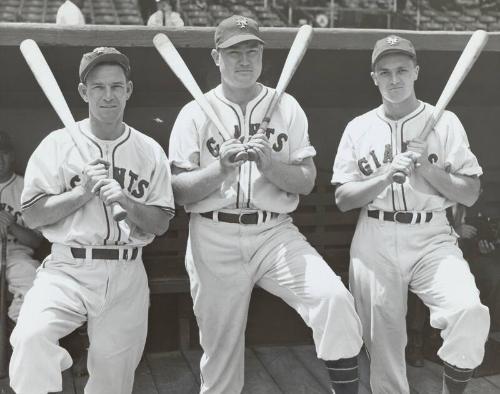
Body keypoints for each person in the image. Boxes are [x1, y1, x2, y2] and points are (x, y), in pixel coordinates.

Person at [168, 15, 363, 394]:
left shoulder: (286, 106)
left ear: (262, 55)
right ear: (216, 57)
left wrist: (271, 165)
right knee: (220, 358)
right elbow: (179, 190)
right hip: (213, 235)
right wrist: (220, 170)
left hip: (274, 234)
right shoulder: (194, 112)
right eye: (234, 52)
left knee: (334, 299)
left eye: (252, 51)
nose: (244, 60)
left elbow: (305, 181)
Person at [9, 47, 175, 394]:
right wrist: (83, 191)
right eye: (98, 87)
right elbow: (33, 214)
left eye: (116, 86)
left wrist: (126, 201)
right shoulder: (56, 145)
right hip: (68, 267)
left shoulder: (149, 150)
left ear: (128, 90)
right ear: (84, 92)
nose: (108, 95)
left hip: (127, 271)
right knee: (30, 338)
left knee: (113, 385)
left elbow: (160, 223)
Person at [332, 34, 490, 394]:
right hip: (375, 234)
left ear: (416, 71)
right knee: (383, 345)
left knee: (468, 311)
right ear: (374, 78)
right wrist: (385, 175)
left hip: (432, 235)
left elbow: (471, 190)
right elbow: (343, 199)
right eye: (384, 72)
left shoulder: (445, 122)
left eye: (402, 69)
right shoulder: (358, 127)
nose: (394, 79)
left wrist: (427, 170)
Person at [0, 131, 42, 325]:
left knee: (32, 278)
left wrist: (12, 225)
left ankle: (17, 335)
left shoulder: (27, 188)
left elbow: (37, 242)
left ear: (12, 155)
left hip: (16, 256)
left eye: (4, 152)